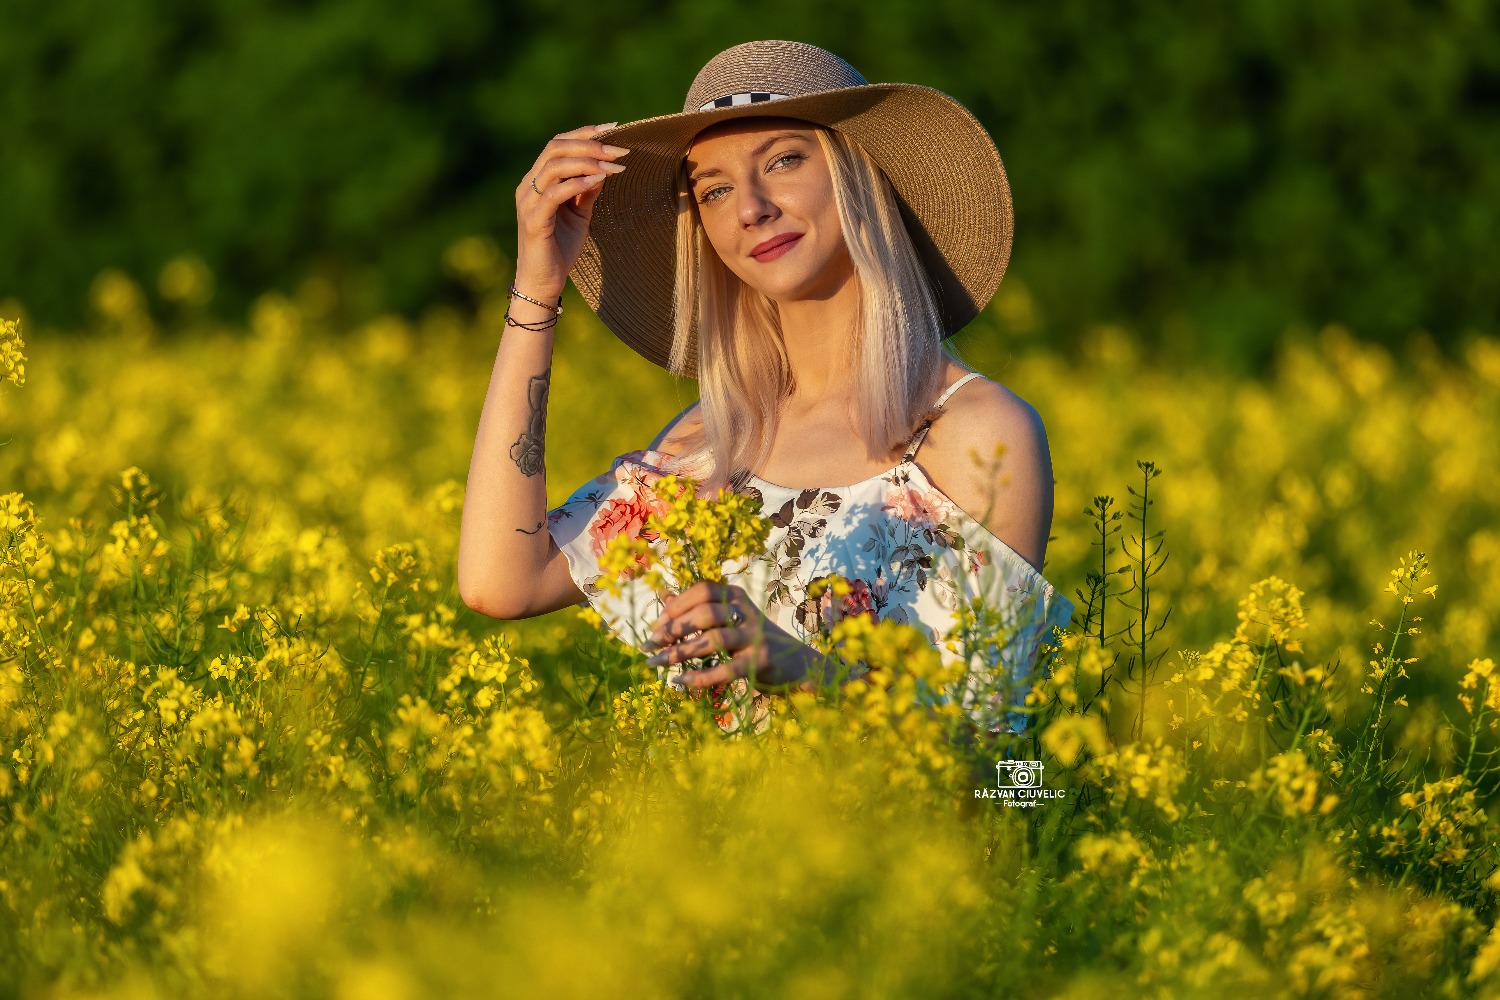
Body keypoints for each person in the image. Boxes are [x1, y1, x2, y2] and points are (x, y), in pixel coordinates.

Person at [458, 39, 1073, 735]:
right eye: (714, 189)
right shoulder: (703, 447)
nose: (750, 207)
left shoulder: (975, 434)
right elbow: (500, 582)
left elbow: (1012, 774)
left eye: (783, 160)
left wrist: (804, 672)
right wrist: (539, 284)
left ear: (857, 175)